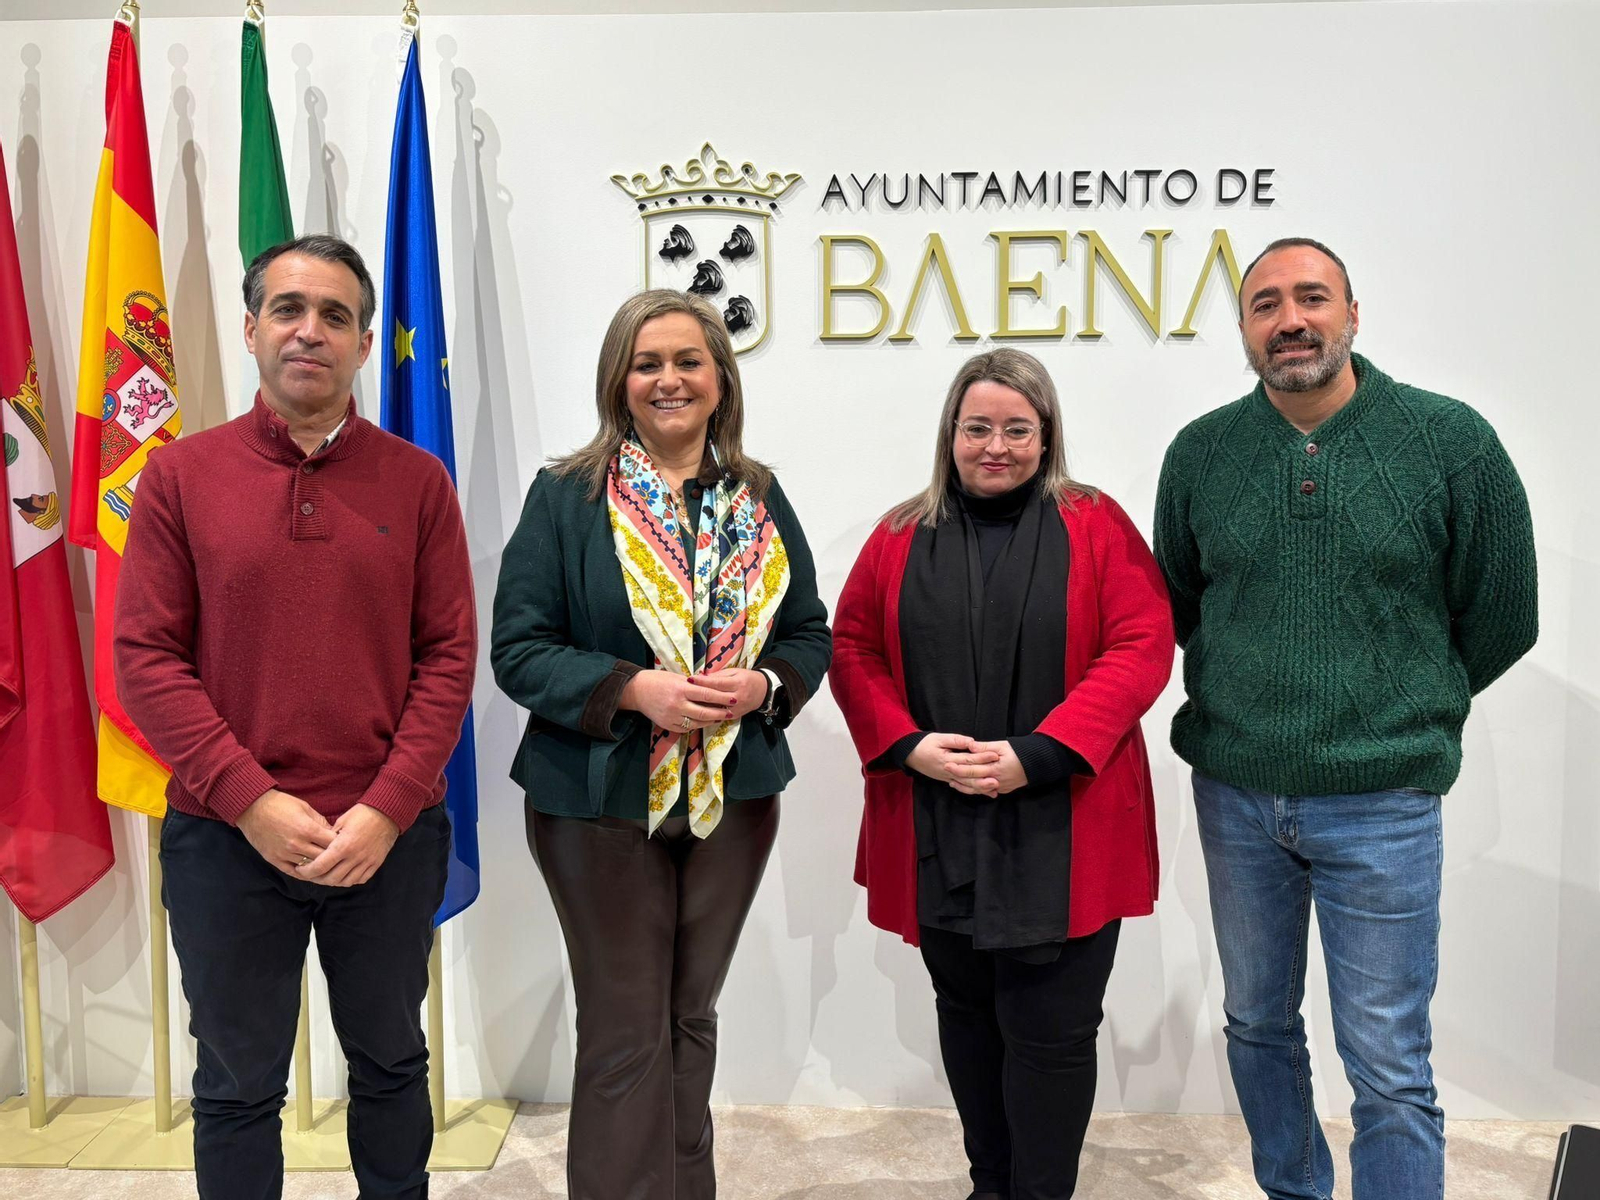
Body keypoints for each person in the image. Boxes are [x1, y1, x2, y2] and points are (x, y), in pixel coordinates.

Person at [1153, 237, 1538, 1200]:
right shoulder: (1201, 452)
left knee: (1389, 1061)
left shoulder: (1451, 441)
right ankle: (1294, 1188)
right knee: (1257, 1024)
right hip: (1238, 796)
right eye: (1265, 304)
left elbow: (1502, 612)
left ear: (1352, 314)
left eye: (1312, 297)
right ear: (1244, 331)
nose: (1291, 319)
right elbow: (1181, 604)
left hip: (1384, 800)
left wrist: (1408, 705)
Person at [113, 234, 475, 1200]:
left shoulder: (419, 482)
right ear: (250, 329)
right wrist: (250, 801)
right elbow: (146, 659)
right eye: (288, 310)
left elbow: (447, 659)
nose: (309, 331)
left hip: (386, 840)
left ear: (363, 344)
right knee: (236, 1087)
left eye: (335, 316)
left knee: (393, 1068)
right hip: (226, 840)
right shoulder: (179, 479)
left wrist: (388, 809)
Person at [490, 289, 831, 1200]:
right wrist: (636, 690)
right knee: (624, 1026)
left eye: (688, 361)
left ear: (720, 378)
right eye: (648, 363)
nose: (669, 379)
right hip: (595, 800)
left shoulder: (756, 496)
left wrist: (762, 685)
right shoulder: (567, 496)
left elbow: (807, 632)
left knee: (689, 1017)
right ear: (620, 381)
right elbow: (519, 650)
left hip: (734, 796)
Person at [830, 348, 1174, 1200]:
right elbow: (852, 647)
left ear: (1046, 434)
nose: (996, 446)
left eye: (1017, 429)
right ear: (950, 433)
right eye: (977, 427)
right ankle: (991, 1184)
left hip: (1065, 820)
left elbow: (1141, 645)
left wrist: (1041, 752)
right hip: (942, 822)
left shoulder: (1096, 523)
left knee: (1052, 1031)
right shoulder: (900, 533)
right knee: (968, 1016)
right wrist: (909, 742)